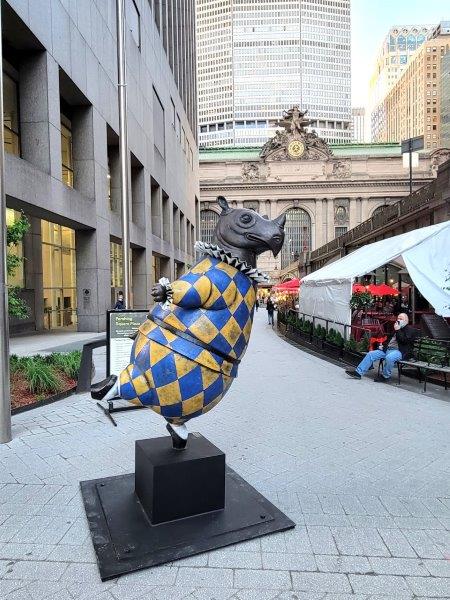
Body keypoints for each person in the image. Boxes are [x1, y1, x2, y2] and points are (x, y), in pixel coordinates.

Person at [345, 313, 420, 382]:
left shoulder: (410, 330)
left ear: (406, 321)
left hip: (399, 351)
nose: (398, 320)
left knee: (389, 358)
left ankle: (385, 376)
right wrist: (382, 345)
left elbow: (404, 341)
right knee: (371, 354)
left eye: (401, 319)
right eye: (398, 318)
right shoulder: (396, 328)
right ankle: (358, 373)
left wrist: (398, 330)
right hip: (387, 349)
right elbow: (389, 339)